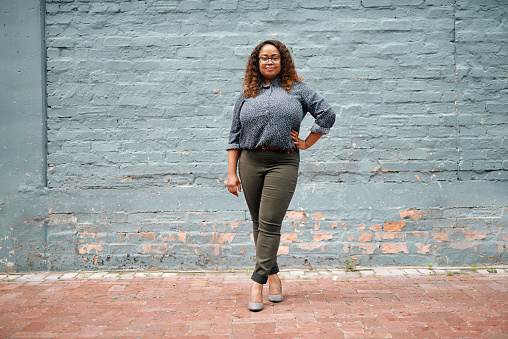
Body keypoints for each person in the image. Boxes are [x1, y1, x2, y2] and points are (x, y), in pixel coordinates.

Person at [226, 40, 336, 312]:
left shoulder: (298, 90)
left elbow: (327, 114)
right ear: (257, 62)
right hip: (250, 161)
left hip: (283, 162)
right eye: (264, 58)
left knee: (270, 222)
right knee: (258, 223)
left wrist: (308, 142)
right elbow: (234, 136)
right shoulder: (247, 93)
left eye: (275, 57)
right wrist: (231, 172)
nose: (269, 62)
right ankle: (274, 277)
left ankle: (257, 282)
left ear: (282, 61)